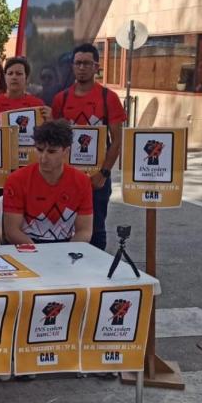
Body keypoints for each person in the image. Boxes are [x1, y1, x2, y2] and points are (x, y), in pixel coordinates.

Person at [51, 43, 125, 250]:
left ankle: (96, 274)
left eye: (86, 63)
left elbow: (117, 140)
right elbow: (56, 140)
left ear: (96, 67)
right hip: (67, 175)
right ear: (72, 67)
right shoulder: (61, 98)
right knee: (63, 225)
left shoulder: (108, 98)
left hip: (96, 177)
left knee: (96, 228)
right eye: (77, 63)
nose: (81, 67)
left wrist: (103, 173)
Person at [3, 119, 93, 245]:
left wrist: (67, 253)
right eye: (39, 150)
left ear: (66, 151)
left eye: (51, 151)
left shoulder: (82, 181)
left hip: (66, 247)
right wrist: (41, 254)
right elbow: (11, 231)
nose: (43, 158)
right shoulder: (17, 179)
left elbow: (84, 231)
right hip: (27, 247)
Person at [0, 57, 51, 124]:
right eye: (10, 73)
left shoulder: (37, 105)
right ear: (5, 77)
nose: (14, 77)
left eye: (19, 74)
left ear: (27, 78)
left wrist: (50, 120)